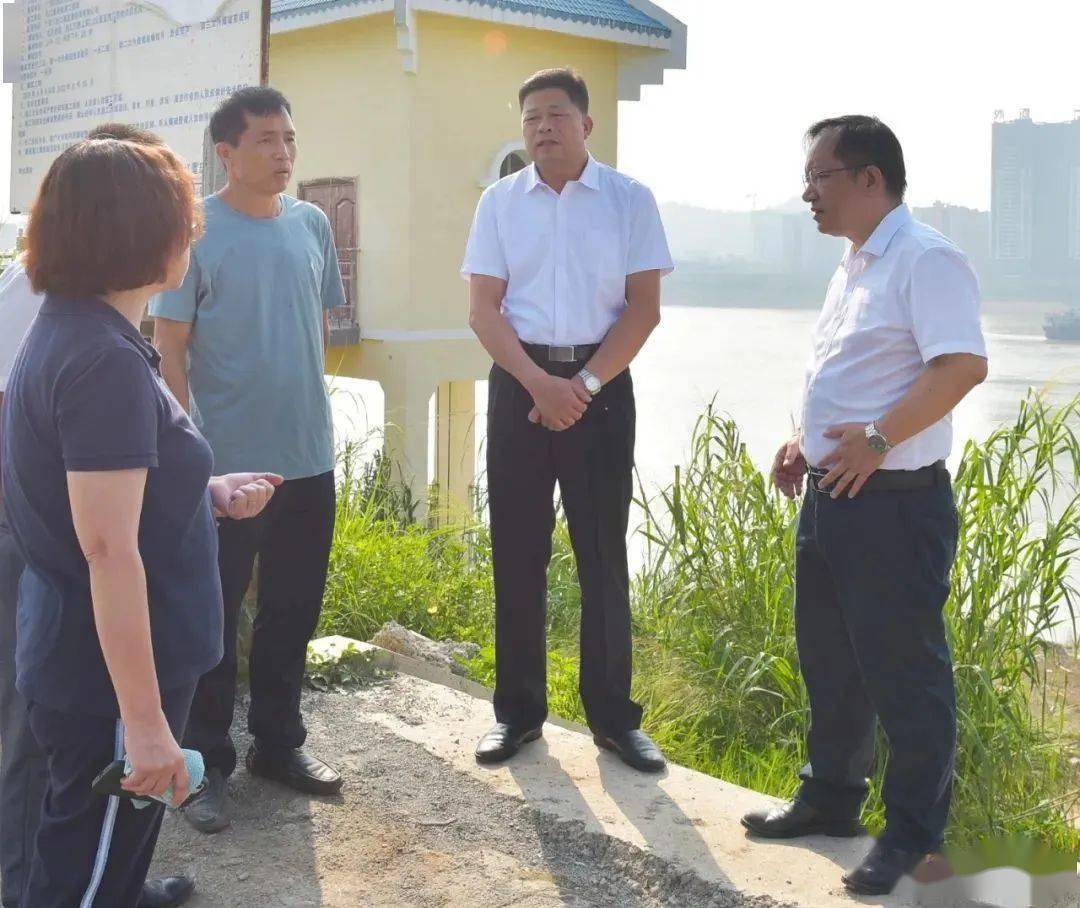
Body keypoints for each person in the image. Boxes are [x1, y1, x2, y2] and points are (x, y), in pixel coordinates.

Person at [1, 137, 281, 906]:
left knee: (104, 847)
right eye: (184, 219)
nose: (193, 232)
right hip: (112, 678)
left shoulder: (79, 332)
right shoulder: (103, 362)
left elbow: (100, 497)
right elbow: (105, 550)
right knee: (81, 869)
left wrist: (205, 489)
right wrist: (147, 725)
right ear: (139, 234)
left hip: (92, 661)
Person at [740, 116, 988, 896]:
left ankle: (913, 838)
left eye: (820, 176)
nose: (807, 191)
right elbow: (851, 371)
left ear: (870, 178)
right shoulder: (853, 264)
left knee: (906, 675)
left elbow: (962, 367)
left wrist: (876, 439)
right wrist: (802, 441)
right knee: (831, 660)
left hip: (894, 503)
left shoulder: (926, 259)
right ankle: (833, 798)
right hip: (832, 495)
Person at [462, 68, 673, 772]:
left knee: (602, 556)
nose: (542, 127)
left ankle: (614, 719)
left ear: (586, 124)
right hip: (519, 382)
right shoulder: (499, 203)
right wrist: (536, 383)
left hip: (601, 385)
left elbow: (643, 309)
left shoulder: (629, 200)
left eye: (555, 114)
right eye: (530, 118)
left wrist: (578, 384)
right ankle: (518, 716)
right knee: (517, 549)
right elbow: (483, 309)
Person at [151, 86, 347, 834]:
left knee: (292, 608)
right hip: (225, 468)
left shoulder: (312, 226)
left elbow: (316, 326)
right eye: (266, 140)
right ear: (226, 152)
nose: (283, 153)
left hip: (307, 458)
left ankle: (278, 743)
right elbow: (172, 345)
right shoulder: (195, 229)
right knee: (212, 614)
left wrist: (307, 418)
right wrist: (189, 448)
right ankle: (203, 766)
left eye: (289, 139)